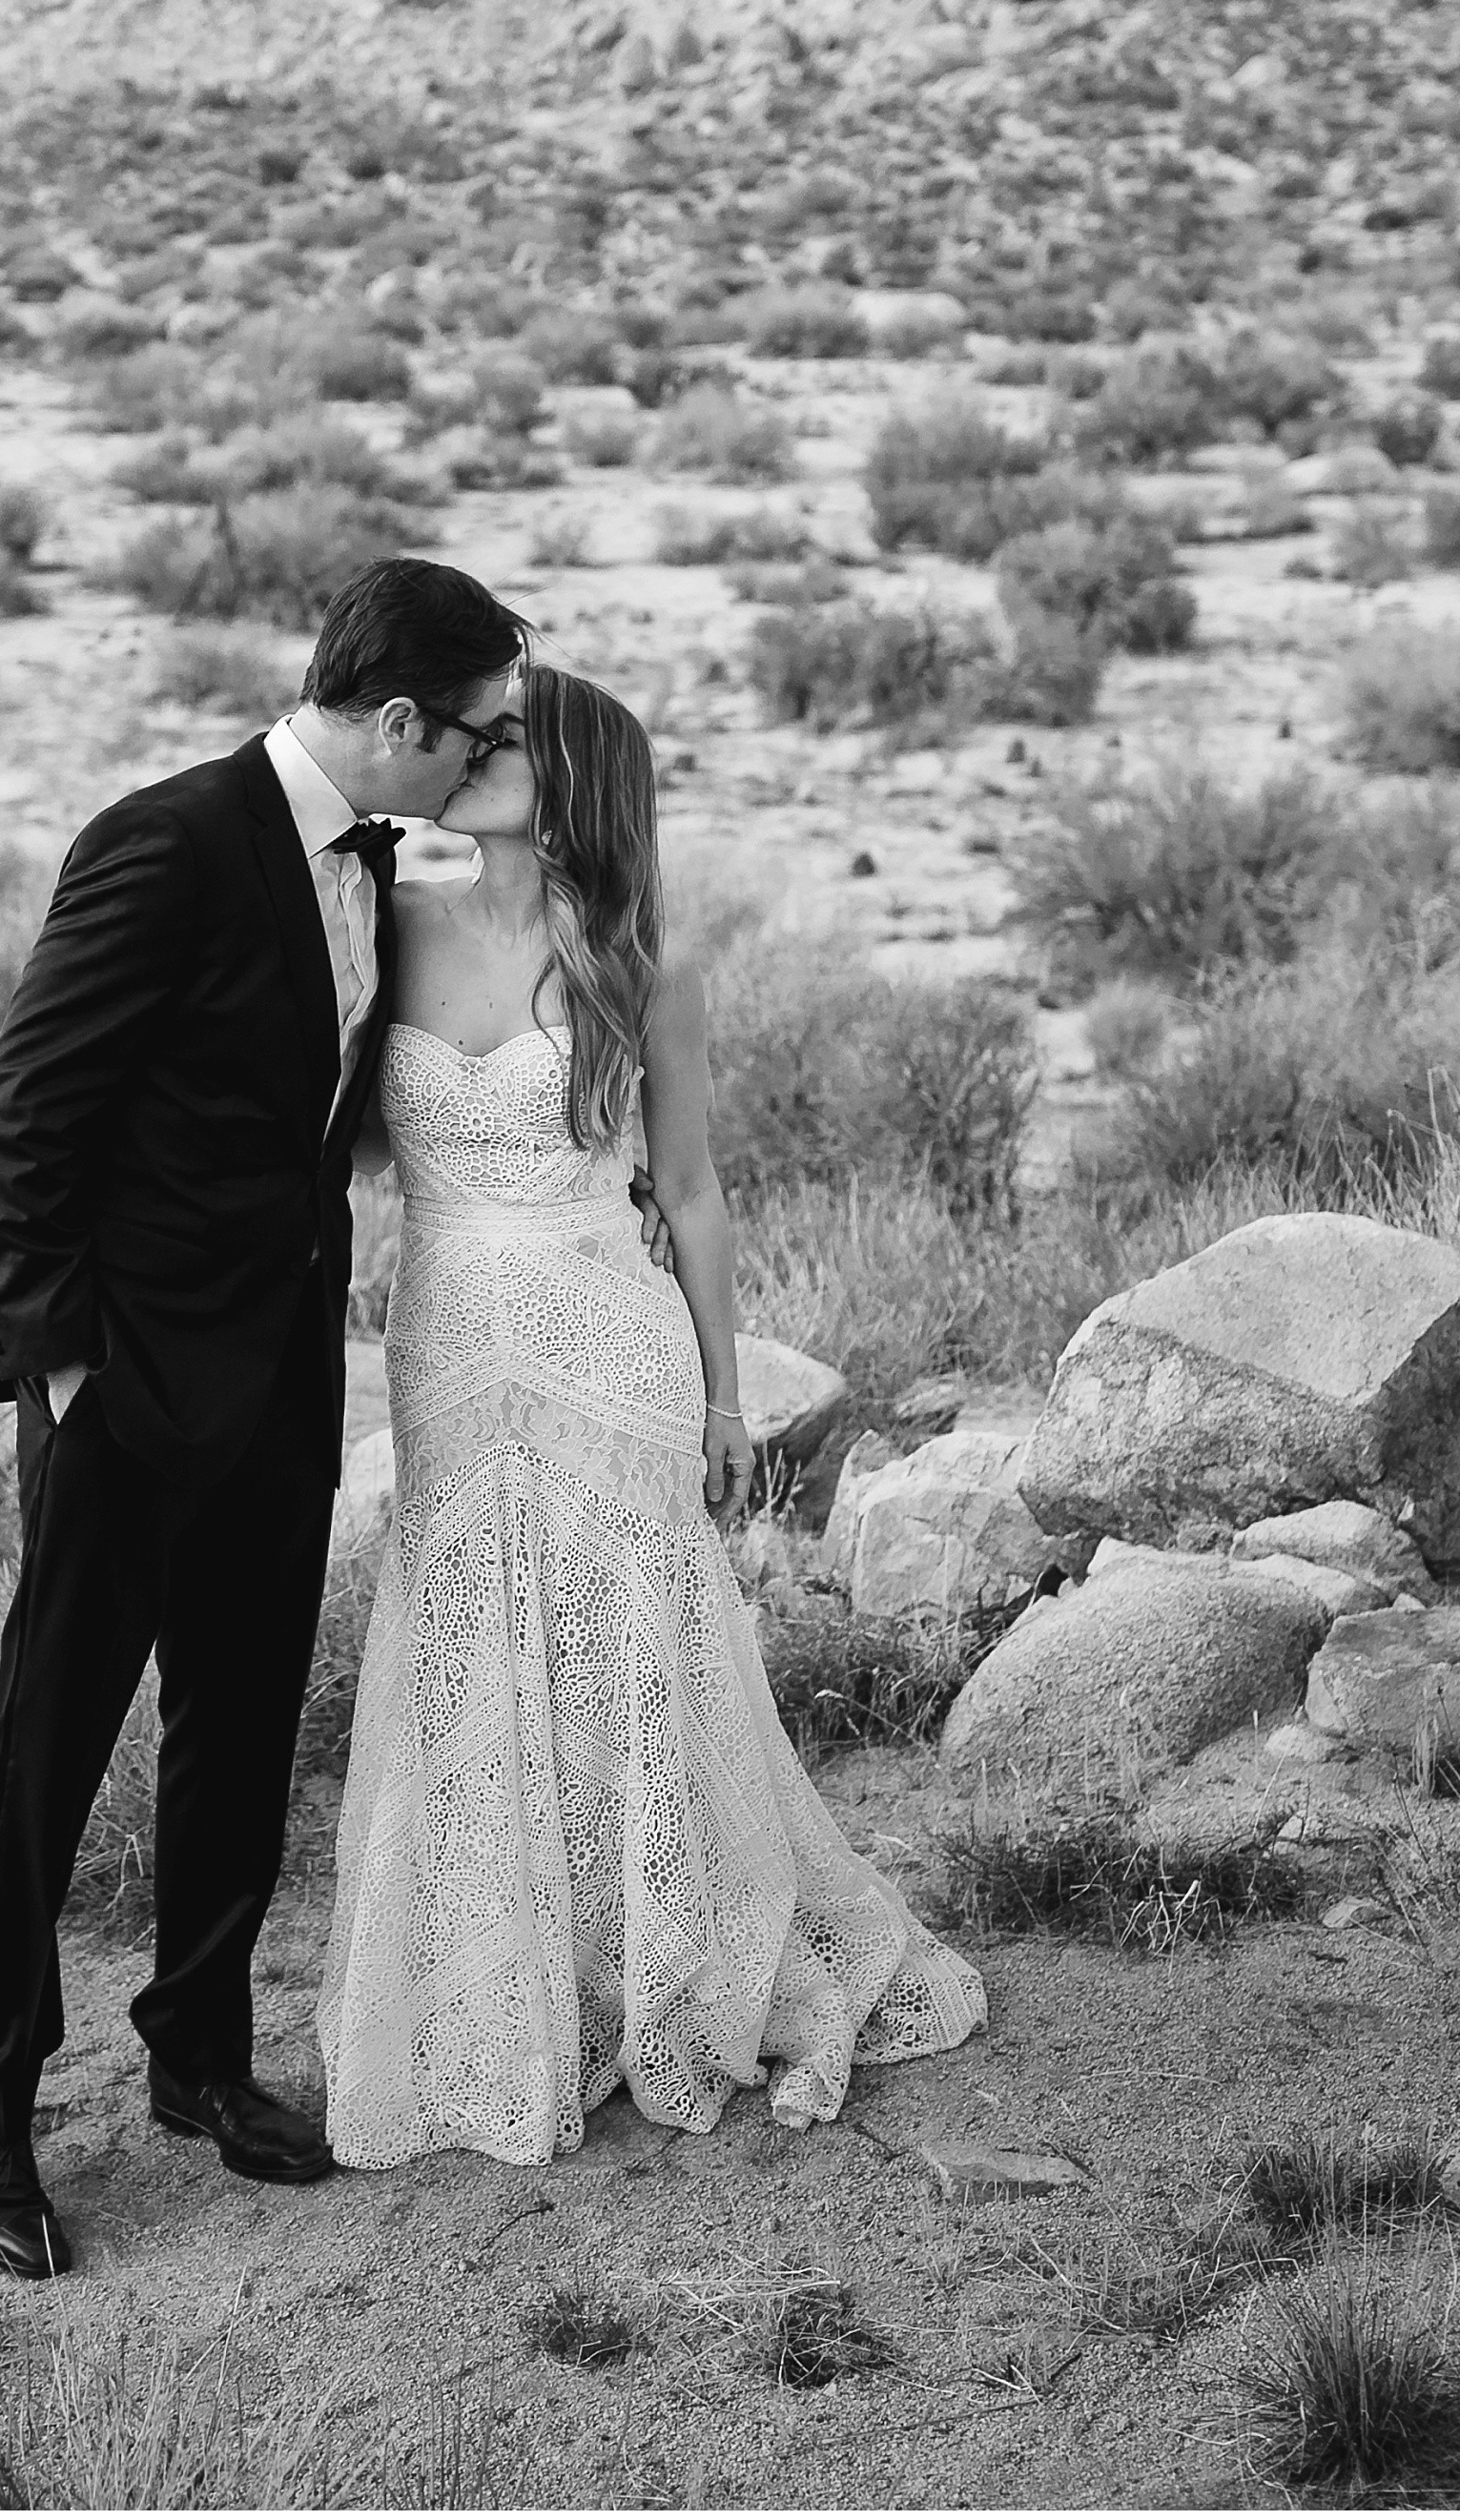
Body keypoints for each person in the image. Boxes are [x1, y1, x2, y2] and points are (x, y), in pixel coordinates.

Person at [0, 555, 525, 2278]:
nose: (490, 755)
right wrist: (56, 1364)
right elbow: (30, 1109)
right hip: (117, 1390)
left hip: (280, 1387)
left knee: (242, 1735)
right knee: (46, 1759)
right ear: (398, 720)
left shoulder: (382, 866)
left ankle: (197, 2055)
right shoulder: (167, 838)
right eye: (476, 728)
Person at [317, 665, 986, 2167]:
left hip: (607, 1341)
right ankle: (503, 1980)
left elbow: (688, 1190)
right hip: (448, 1341)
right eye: (477, 738)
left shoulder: (641, 968)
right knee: (473, 1639)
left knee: (627, 1651)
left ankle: (659, 1969)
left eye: (509, 744)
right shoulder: (391, 926)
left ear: (575, 783)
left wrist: (730, 1395)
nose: (478, 758)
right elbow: (339, 1145)